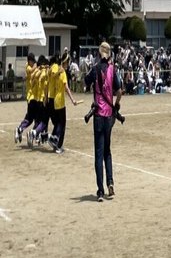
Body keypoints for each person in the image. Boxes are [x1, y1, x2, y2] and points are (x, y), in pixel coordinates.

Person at [84, 42, 123, 202]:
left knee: (98, 153)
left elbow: (86, 83)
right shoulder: (113, 70)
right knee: (107, 151)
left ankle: (100, 191)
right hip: (109, 115)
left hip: (99, 114)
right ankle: (110, 183)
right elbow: (119, 91)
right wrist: (117, 105)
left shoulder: (95, 69)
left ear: (100, 54)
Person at [48, 52, 80, 154]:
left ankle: (53, 139)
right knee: (62, 123)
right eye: (68, 62)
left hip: (55, 100)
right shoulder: (63, 72)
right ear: (65, 62)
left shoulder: (57, 69)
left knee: (58, 122)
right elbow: (66, 88)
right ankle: (57, 143)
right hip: (60, 101)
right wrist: (72, 100)